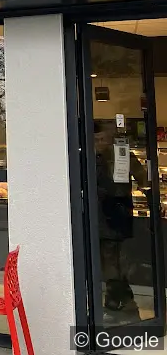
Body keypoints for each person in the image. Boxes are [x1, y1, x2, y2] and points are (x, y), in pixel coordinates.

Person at [95, 124, 148, 321]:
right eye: (97, 140)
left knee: (113, 261)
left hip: (115, 215)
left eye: (102, 139)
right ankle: (120, 301)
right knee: (111, 261)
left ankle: (117, 303)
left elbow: (142, 177)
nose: (100, 143)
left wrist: (148, 191)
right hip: (102, 216)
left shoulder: (120, 154)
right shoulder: (93, 157)